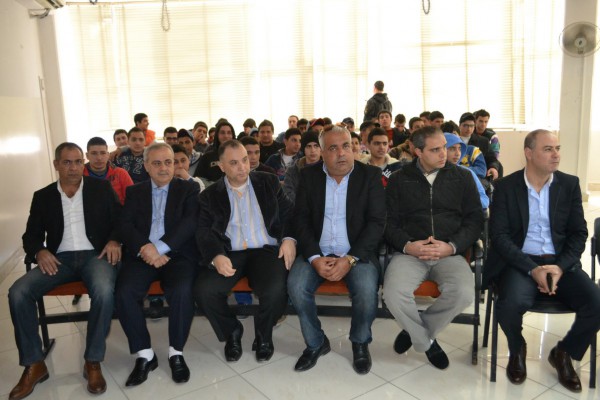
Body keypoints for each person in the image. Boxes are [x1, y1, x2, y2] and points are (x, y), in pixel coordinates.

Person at [483, 129, 600, 392]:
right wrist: (532, 269)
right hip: (520, 261)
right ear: (529, 153)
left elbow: (578, 233)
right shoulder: (506, 187)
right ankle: (517, 348)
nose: (556, 154)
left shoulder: (569, 184)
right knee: (509, 304)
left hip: (559, 262)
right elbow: (499, 237)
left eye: (557, 148)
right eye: (548, 149)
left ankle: (564, 353)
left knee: (596, 303)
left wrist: (560, 267)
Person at [8, 142, 121, 399]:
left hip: (96, 255)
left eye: (78, 162)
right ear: (56, 165)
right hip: (60, 260)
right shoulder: (43, 196)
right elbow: (30, 236)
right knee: (18, 292)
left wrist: (115, 240)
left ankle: (93, 361)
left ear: (83, 163)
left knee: (104, 291)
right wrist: (40, 251)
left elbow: (120, 221)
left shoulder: (101, 189)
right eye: (67, 162)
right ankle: (34, 364)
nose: (73, 168)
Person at [287, 125, 385, 374]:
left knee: (366, 290)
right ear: (321, 152)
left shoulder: (370, 176)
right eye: (333, 148)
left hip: (356, 253)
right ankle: (316, 342)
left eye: (346, 146)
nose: (342, 153)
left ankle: (360, 342)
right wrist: (313, 258)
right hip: (317, 251)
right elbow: (301, 220)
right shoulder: (309, 176)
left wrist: (350, 259)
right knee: (296, 286)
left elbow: (377, 223)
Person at [383, 126, 483, 370]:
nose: (443, 154)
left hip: (449, 252)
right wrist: (408, 245)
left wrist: (452, 246)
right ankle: (426, 342)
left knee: (463, 294)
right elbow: (387, 223)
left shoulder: (463, 177)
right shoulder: (399, 179)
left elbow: (475, 221)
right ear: (418, 151)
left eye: (444, 148)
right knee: (393, 294)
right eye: (435, 149)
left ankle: (415, 331)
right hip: (410, 253)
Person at [194, 140, 296, 363]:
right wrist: (216, 255)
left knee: (275, 290)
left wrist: (289, 239)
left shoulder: (268, 181)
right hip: (230, 252)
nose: (242, 167)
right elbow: (203, 232)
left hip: (265, 250)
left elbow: (289, 213)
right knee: (204, 290)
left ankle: (263, 335)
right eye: (233, 163)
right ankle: (232, 331)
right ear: (221, 166)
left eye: (244, 160)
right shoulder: (209, 196)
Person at [115, 143, 200, 386]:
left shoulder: (189, 189)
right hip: (143, 255)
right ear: (146, 166)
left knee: (182, 290)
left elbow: (190, 223)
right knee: (124, 292)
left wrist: (160, 248)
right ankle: (145, 354)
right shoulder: (135, 191)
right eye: (157, 163)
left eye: (168, 162)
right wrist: (146, 248)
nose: (164, 168)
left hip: (177, 254)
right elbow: (125, 225)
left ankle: (176, 352)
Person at [444, 133, 489, 209]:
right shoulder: (432, 173)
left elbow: (484, 200)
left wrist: (466, 202)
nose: (457, 153)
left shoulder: (467, 172)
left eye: (459, 149)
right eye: (452, 149)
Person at [84, 136, 133, 205]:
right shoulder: (80, 175)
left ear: (108, 155)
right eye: (94, 153)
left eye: (103, 153)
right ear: (87, 155)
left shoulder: (121, 173)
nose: (99, 158)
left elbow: (133, 199)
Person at [283, 131, 322, 203]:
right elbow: (288, 194)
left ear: (321, 149)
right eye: (308, 146)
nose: (313, 150)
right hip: (298, 208)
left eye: (316, 146)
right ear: (303, 149)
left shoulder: (328, 169)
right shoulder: (292, 171)